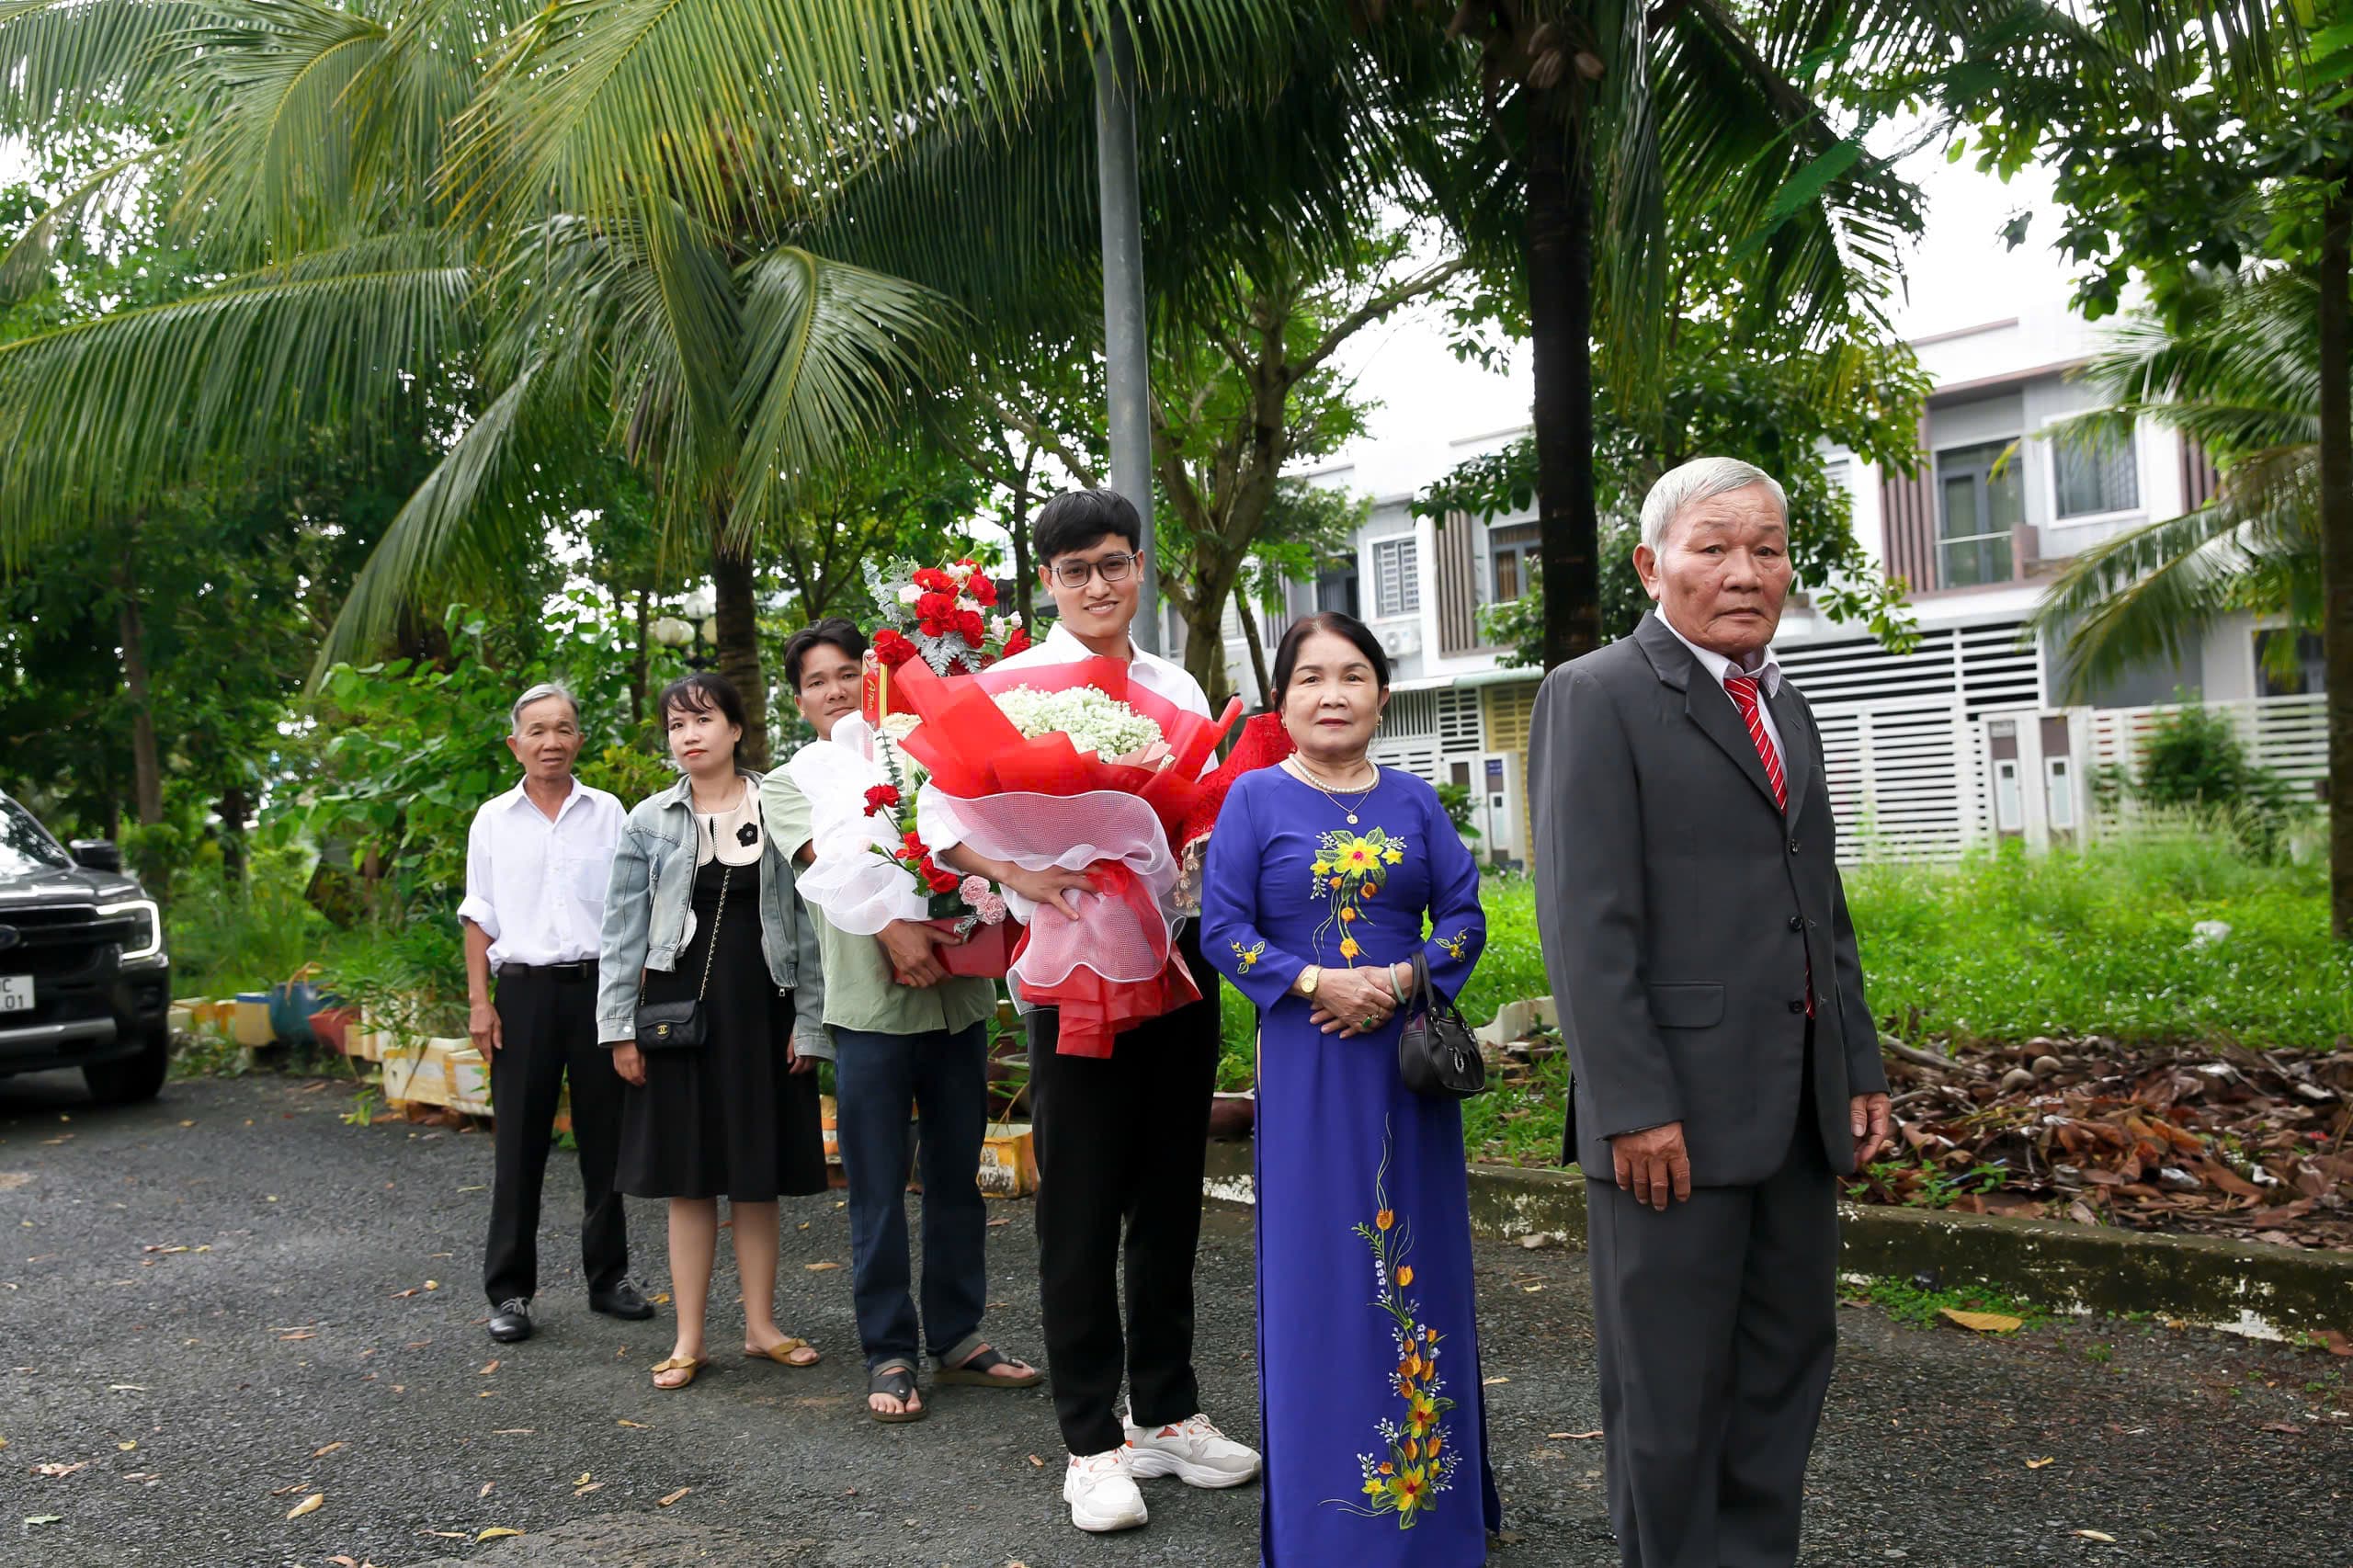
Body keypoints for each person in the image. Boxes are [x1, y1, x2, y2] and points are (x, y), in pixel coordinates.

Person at [1527, 458, 1892, 1568]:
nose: (1745, 571)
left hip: (1792, 1102)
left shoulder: (1784, 696)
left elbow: (1816, 903)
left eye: (1767, 548)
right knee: (1670, 1390)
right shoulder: (1594, 693)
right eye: (1713, 547)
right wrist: (1631, 1104)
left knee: (1786, 1363)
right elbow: (1584, 924)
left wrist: (1859, 1065)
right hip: (1667, 1119)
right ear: (1652, 564)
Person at [928, 489, 1261, 1532]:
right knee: (1076, 1206)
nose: (1097, 585)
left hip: (1173, 963)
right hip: (1072, 975)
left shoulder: (1173, 685)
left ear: (1139, 567)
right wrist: (1018, 870)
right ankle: (1090, 1439)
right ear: (1048, 583)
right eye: (1074, 570)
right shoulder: (1007, 686)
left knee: (1169, 1196)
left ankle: (1165, 1411)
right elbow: (936, 816)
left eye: (1113, 562)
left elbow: (1199, 804)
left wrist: (1192, 853)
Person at [1200, 613, 1502, 1566]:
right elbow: (1222, 928)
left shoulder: (1415, 803)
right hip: (1306, 1060)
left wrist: (1404, 978)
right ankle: (1331, 1517)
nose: (1331, 693)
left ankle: (1433, 1500)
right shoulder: (1252, 798)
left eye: (1352, 674)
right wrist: (1311, 981)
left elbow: (1462, 915)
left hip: (1403, 1065)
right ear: (1281, 699)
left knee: (1418, 1264)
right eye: (1309, 677)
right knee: (1322, 1271)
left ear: (1380, 692)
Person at [762, 618, 1040, 1424]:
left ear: (874, 677)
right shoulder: (790, 782)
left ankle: (957, 1336)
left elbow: (968, 842)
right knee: (878, 1190)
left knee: (958, 1178)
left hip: (955, 997)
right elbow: (824, 865)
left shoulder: (923, 752)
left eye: (848, 673)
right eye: (817, 681)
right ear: (800, 699)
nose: (837, 690)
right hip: (869, 1006)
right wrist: (894, 929)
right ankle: (889, 1350)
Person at [596, 672, 835, 1391]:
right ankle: (689, 1338)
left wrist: (810, 1023)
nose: (688, 735)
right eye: (675, 725)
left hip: (764, 1011)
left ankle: (762, 1328)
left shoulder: (781, 807)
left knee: (755, 1179)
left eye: (702, 720)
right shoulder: (648, 821)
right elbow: (621, 933)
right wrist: (618, 1030)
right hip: (678, 1018)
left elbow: (810, 924)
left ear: (736, 728)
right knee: (689, 1181)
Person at [460, 683, 651, 1344]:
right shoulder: (493, 819)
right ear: (515, 743)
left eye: (563, 728)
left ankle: (609, 1279)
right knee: (519, 1146)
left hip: (599, 989)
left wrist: (631, 1001)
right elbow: (478, 913)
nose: (550, 741)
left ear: (579, 740)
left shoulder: (609, 813)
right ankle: (509, 1292)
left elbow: (631, 910)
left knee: (606, 1143)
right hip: (524, 995)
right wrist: (481, 1003)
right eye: (536, 730)